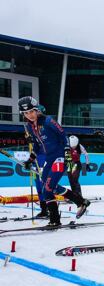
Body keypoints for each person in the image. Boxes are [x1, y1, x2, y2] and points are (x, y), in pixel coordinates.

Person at [19, 97, 90, 226]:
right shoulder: (30, 127)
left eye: (31, 111)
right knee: (48, 187)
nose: (29, 115)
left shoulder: (48, 121)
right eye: (26, 113)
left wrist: (67, 153)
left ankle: (55, 220)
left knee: (48, 188)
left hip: (60, 157)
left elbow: (64, 136)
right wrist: (30, 160)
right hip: (49, 158)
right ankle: (80, 202)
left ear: (37, 110)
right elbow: (36, 146)